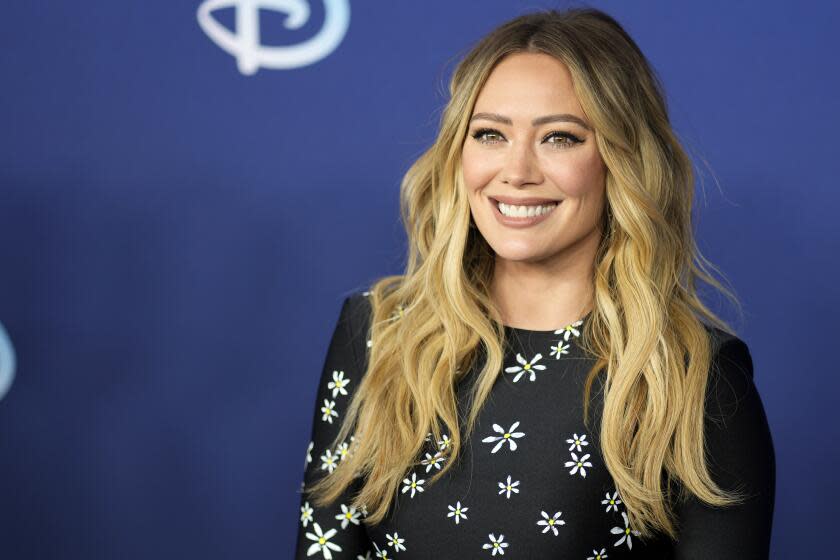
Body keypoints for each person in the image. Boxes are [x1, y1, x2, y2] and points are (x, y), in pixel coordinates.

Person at [293, 7, 775, 559]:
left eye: (560, 138)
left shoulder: (692, 377)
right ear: (459, 154)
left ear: (622, 159)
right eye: (490, 133)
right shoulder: (377, 334)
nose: (517, 170)